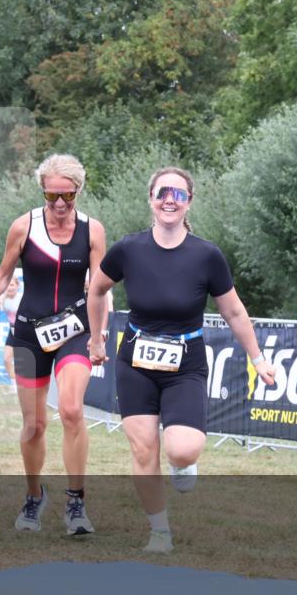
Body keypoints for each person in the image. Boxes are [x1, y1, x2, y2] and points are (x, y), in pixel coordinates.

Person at [87, 166, 276, 553]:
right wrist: (96, 336)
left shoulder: (207, 256)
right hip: (135, 359)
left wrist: (258, 359)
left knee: (182, 448)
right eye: (162, 193)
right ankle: (159, 531)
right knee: (142, 450)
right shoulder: (128, 249)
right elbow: (96, 289)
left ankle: (183, 462)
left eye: (179, 194)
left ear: (189, 202)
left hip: (185, 362)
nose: (170, 199)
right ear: (151, 200)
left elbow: (235, 313)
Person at [0, 154, 107, 535]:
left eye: (68, 196)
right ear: (42, 192)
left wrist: (98, 337)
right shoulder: (24, 226)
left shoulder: (92, 231)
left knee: (70, 410)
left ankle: (76, 504)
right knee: (33, 425)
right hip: (29, 333)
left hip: (74, 331)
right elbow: (1, 275)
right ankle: (34, 496)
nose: (61, 205)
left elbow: (99, 290)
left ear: (79, 190)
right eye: (52, 196)